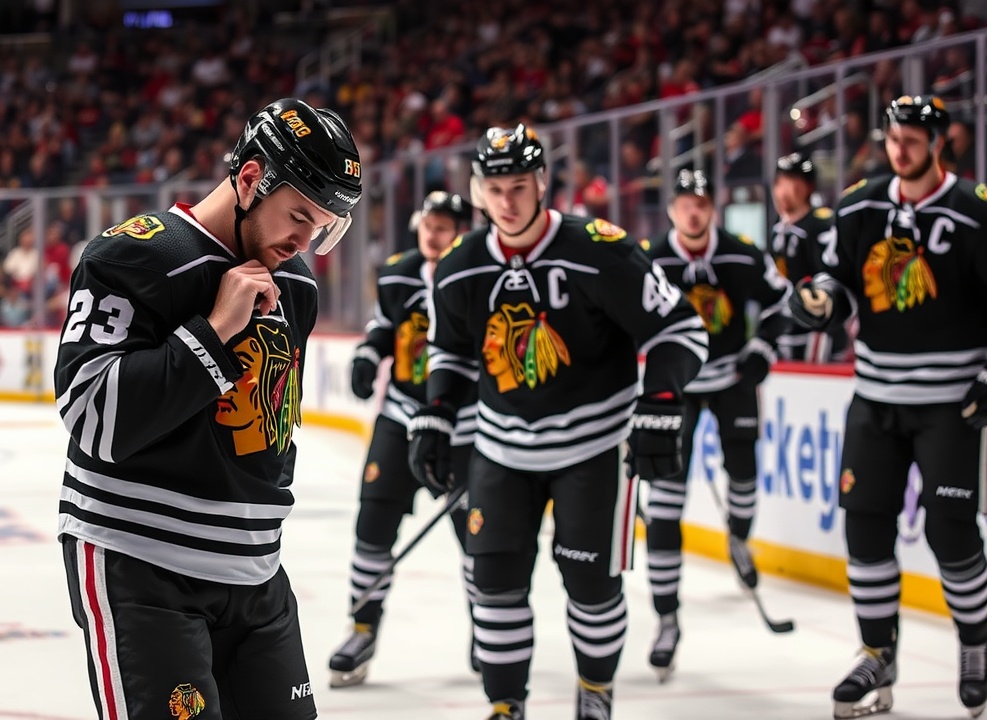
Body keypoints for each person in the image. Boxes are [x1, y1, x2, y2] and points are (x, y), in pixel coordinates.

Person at [53, 98, 362, 720]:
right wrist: (214, 332)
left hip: (256, 572)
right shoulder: (132, 256)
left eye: (323, 226)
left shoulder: (296, 282)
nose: (305, 242)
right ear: (250, 179)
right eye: (298, 216)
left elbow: (270, 429)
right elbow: (91, 414)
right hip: (142, 562)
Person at [407, 124, 708, 720]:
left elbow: (681, 330)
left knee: (592, 588)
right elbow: (450, 352)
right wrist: (437, 413)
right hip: (500, 450)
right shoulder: (460, 266)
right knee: (493, 585)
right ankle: (505, 705)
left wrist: (661, 398)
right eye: (495, 189)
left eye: (519, 186)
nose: (507, 202)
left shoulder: (600, 249)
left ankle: (595, 692)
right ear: (478, 190)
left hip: (595, 450)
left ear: (542, 181)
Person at [788, 95, 987, 719]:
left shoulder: (979, 211)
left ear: (939, 142)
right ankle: (877, 653)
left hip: (951, 405)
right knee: (864, 528)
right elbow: (837, 280)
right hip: (876, 398)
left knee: (950, 531)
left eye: (913, 138)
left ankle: (973, 643)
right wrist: (819, 302)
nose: (900, 148)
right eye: (893, 138)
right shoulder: (859, 205)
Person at [639, 169, 792, 682]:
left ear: (713, 207)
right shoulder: (650, 260)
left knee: (744, 474)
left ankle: (739, 539)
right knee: (665, 503)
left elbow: (782, 304)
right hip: (674, 388)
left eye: (702, 203)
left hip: (731, 378)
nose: (694, 211)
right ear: (671, 209)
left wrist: (762, 349)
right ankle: (666, 619)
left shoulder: (741, 254)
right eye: (685, 202)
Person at [329, 190, 478, 687]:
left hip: (464, 427)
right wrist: (369, 354)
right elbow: (384, 325)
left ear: (463, 231)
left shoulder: (479, 274)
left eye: (445, 227)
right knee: (373, 522)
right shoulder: (397, 272)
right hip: (402, 418)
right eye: (429, 225)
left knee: (480, 538)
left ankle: (489, 627)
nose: (434, 235)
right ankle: (362, 627)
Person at [768, 151, 849, 362]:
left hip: (818, 331)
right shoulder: (778, 228)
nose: (784, 192)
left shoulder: (822, 225)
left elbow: (834, 278)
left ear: (809, 187)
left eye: (793, 184)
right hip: (786, 326)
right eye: (780, 183)